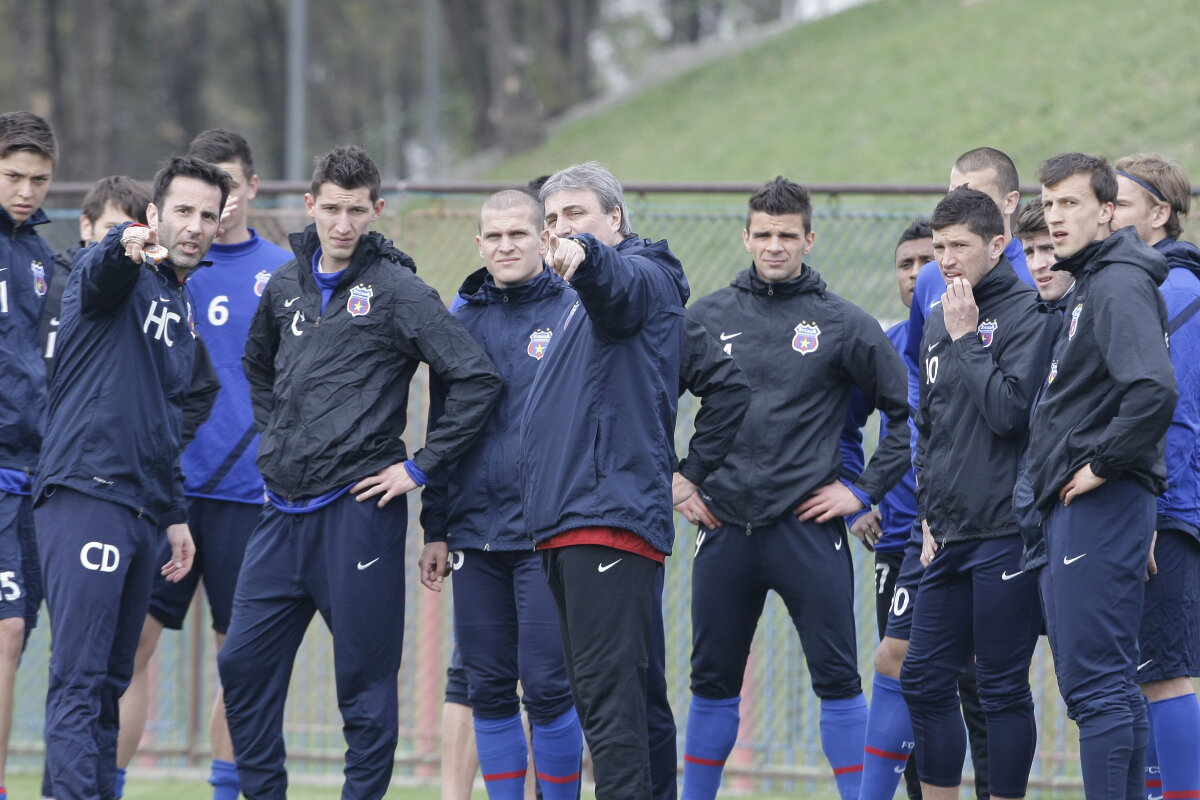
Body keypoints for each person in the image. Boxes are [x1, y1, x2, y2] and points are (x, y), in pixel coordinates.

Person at [219, 145, 501, 799]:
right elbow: (258, 365)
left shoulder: (399, 290)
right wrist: (277, 440)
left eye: (356, 211)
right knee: (241, 665)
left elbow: (476, 378)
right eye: (331, 209)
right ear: (309, 205)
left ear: (376, 210)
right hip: (280, 513)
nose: (342, 224)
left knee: (365, 685)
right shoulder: (284, 285)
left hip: (358, 512)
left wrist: (419, 468)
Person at [677, 177, 911, 800]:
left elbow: (909, 414)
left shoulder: (844, 323)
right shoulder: (706, 318)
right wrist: (679, 482)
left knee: (838, 681)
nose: (774, 246)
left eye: (787, 235)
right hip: (723, 527)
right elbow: (644, 402)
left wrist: (862, 491)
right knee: (711, 683)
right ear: (745, 237)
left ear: (810, 239)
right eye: (763, 234)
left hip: (807, 529)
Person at [34, 154, 229, 800]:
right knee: (80, 678)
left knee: (111, 685)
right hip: (88, 494)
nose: (195, 226)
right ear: (154, 214)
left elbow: (166, 418)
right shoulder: (117, 271)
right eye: (182, 211)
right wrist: (125, 241)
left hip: (144, 512)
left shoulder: (179, 302)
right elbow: (102, 267)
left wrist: (173, 514)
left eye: (207, 215)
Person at [116, 128, 293, 800]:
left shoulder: (284, 273)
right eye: (193, 201)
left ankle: (225, 791)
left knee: (238, 662)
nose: (215, 208)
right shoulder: (153, 269)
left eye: (228, 188)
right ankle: (104, 783)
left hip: (249, 497)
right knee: (129, 649)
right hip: (163, 491)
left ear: (249, 187)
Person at [518, 161, 690, 800]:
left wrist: (585, 256)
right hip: (574, 520)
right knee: (632, 701)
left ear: (615, 218)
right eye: (553, 219)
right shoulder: (573, 305)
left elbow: (618, 285)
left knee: (608, 703)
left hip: (604, 518)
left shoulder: (645, 273)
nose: (561, 228)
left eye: (577, 214)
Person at [419, 189, 584, 800]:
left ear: (545, 238)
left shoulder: (575, 311)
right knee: (487, 688)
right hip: (474, 534)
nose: (506, 246)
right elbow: (442, 430)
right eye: (494, 236)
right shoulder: (461, 321)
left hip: (549, 532)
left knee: (547, 686)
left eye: (519, 234)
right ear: (479, 243)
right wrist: (435, 528)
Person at [1024, 152, 1176, 798]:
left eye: (1071, 204)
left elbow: (1153, 390)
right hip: (1083, 506)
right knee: (1107, 684)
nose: (1056, 217)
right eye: (1049, 204)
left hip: (1101, 502)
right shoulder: (1092, 281)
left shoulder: (1116, 282)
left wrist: (1101, 465)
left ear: (1108, 212)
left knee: (1097, 686)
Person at [899, 188, 1056, 800]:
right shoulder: (939, 314)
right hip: (948, 534)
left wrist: (968, 338)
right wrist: (928, 514)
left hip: (1004, 532)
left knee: (1000, 688)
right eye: (939, 247)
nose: (945, 260)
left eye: (959, 246)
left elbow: (1010, 414)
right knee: (921, 679)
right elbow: (930, 425)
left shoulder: (1028, 313)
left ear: (997, 245)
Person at [1110, 154, 1200, 800]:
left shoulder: (1176, 292)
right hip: (1139, 507)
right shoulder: (1139, 284)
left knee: (1162, 673)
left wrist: (1149, 511)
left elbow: (1178, 413)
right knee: (1137, 676)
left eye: (1117, 202)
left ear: (1160, 213)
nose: (1104, 214)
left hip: (1163, 512)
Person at [0, 110, 57, 800]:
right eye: (14, 175)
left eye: (39, 180)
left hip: (33, 471)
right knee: (6, 631)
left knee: (20, 634)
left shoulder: (41, 256)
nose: (26, 191)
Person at [40, 175, 151, 380]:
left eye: (133, 232)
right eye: (112, 229)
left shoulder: (152, 292)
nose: (123, 240)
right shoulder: (44, 282)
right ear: (86, 226)